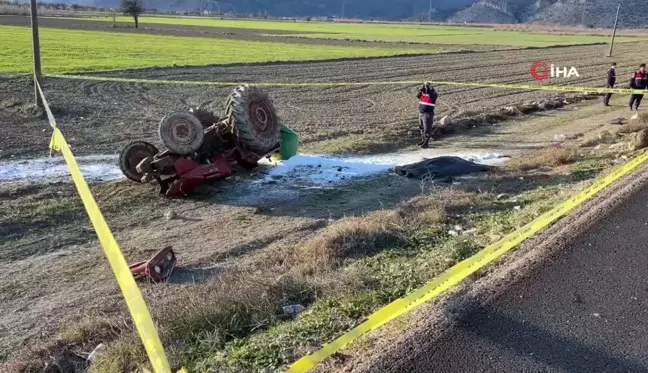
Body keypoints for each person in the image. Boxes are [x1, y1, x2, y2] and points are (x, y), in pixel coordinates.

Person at [416, 81, 439, 148]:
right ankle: (423, 140)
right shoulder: (423, 94)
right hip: (421, 113)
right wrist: (421, 89)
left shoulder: (433, 95)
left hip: (428, 114)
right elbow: (417, 96)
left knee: (427, 129)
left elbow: (432, 93)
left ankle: (426, 142)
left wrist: (429, 87)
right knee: (421, 127)